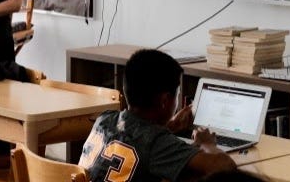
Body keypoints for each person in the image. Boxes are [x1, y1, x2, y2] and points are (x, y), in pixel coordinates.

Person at [79, 49, 236, 182]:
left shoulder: (104, 119)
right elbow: (226, 168)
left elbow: (135, 137)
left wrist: (170, 126)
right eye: (177, 94)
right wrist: (207, 144)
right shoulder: (159, 143)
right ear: (165, 100)